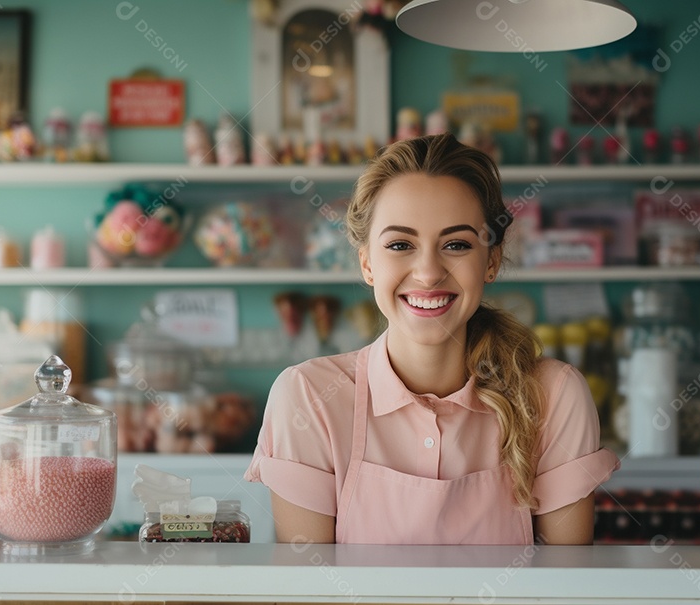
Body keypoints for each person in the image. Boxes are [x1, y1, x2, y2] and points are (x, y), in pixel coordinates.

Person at [244, 133, 619, 545]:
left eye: (456, 244)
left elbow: (563, 589)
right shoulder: (308, 397)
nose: (427, 273)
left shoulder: (554, 395)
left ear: (490, 260)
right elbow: (310, 591)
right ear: (367, 263)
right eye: (400, 245)